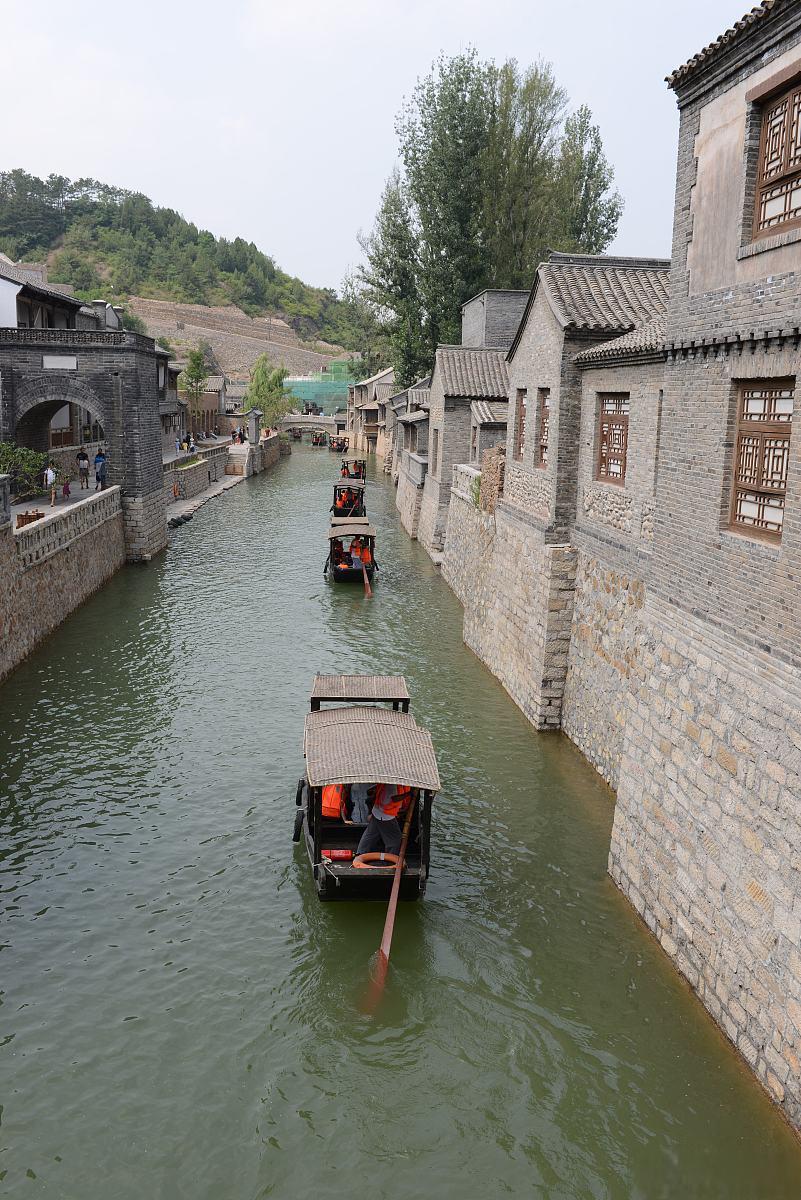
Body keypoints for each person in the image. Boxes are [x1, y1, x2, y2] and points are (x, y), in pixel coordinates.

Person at [355, 784, 413, 857]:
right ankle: (391, 857)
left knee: (370, 834)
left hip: (377, 811)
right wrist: (409, 794)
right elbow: (393, 799)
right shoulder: (392, 786)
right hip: (386, 814)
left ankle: (361, 852)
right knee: (395, 839)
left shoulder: (387, 782)